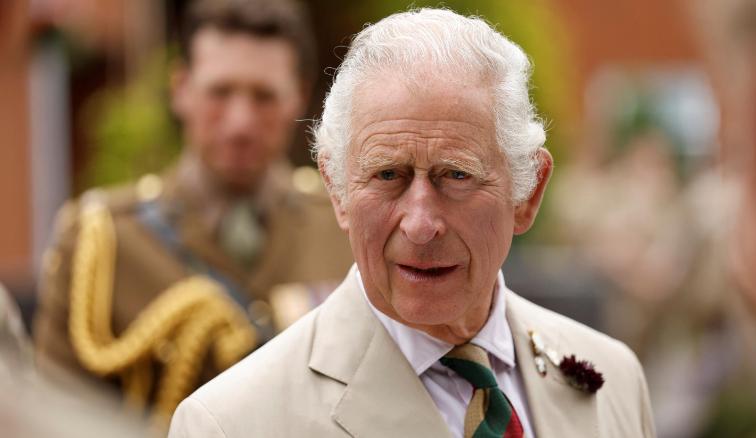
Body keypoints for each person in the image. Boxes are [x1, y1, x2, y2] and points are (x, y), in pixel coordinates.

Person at [169, 8, 655, 438]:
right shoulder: (231, 424)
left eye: (456, 175)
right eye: (387, 175)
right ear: (337, 191)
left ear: (528, 192)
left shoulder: (613, 379)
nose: (421, 225)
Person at [33, 0, 352, 422]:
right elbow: (57, 416)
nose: (240, 122)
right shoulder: (104, 242)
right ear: (180, 88)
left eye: (264, 96)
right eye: (220, 92)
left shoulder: (344, 226)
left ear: (300, 94)